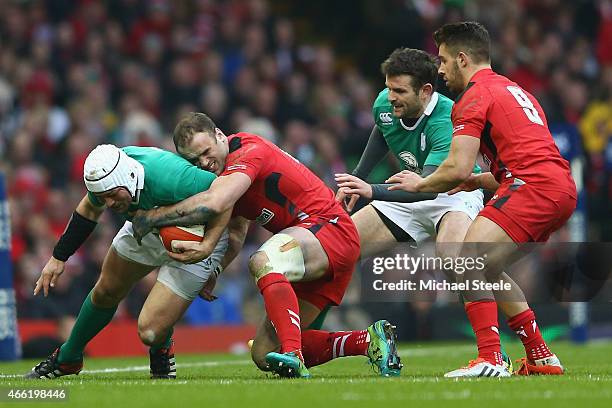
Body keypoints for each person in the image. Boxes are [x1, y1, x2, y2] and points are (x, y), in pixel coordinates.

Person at [130, 112, 403, 378]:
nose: (204, 162)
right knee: (265, 353)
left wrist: (153, 217)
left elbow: (214, 203)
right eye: (194, 159)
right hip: (312, 250)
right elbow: (236, 235)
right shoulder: (226, 180)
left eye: (206, 151)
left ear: (220, 136)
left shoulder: (248, 151)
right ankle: (368, 341)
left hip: (329, 228)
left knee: (262, 260)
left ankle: (294, 355)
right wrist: (215, 271)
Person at [335, 47, 543, 374]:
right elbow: (382, 128)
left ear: (426, 91)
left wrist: (371, 190)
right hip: (405, 189)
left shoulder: (450, 117)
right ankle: (297, 343)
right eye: (389, 89)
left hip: (449, 193)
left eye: (400, 91)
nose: (391, 98)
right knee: (338, 248)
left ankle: (496, 355)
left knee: (461, 261)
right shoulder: (385, 103)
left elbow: (429, 187)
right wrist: (358, 177)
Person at [386, 22, 577, 377]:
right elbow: (526, 159)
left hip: (532, 187)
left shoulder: (474, 95)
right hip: (558, 188)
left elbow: (456, 166)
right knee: (487, 268)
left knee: (467, 258)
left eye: (443, 61)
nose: (440, 70)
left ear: (461, 59)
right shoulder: (514, 89)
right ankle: (540, 354)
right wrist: (478, 179)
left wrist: (420, 184)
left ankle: (489, 357)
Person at [26, 144, 240, 379]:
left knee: (149, 331)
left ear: (128, 178)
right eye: (102, 197)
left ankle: (161, 345)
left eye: (111, 195)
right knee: (105, 291)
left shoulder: (172, 176)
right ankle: (68, 358)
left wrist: (211, 249)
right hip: (147, 224)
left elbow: (227, 198)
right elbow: (88, 209)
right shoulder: (108, 174)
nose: (108, 203)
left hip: (199, 237)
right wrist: (58, 257)